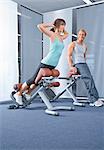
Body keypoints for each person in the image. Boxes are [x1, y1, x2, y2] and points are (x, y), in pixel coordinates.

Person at [14, 18, 68, 105]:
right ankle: (18, 93)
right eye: (62, 24)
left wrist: (62, 28)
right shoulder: (53, 35)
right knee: (33, 79)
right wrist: (52, 24)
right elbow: (40, 26)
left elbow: (67, 34)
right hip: (46, 62)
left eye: (64, 25)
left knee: (38, 81)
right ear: (57, 25)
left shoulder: (61, 37)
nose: (63, 27)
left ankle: (27, 93)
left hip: (53, 64)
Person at [67, 29, 104, 107]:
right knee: (89, 79)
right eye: (80, 34)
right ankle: (94, 99)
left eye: (83, 35)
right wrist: (71, 67)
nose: (81, 36)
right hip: (77, 64)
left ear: (85, 36)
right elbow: (69, 56)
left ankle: (92, 99)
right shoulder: (73, 44)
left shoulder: (85, 46)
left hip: (84, 64)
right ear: (78, 35)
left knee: (89, 80)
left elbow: (84, 57)